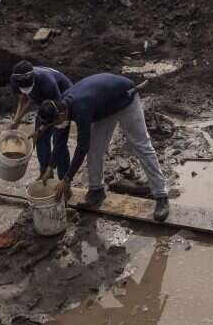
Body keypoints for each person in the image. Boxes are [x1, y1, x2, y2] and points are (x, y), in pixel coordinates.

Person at [37, 73, 169, 221]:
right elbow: (60, 141)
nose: (56, 126)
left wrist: (67, 179)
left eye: (55, 123)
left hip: (125, 98)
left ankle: (161, 196)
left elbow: (81, 147)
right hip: (104, 106)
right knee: (95, 148)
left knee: (141, 146)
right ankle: (96, 190)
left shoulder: (81, 107)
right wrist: (50, 168)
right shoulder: (60, 106)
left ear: (60, 115)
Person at [9, 60, 74, 179]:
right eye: (24, 88)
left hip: (61, 99)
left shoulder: (47, 82)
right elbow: (24, 98)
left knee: (59, 141)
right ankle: (45, 173)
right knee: (39, 138)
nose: (26, 89)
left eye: (29, 87)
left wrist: (43, 127)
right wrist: (16, 121)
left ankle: (63, 178)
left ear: (33, 79)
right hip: (44, 102)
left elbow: (58, 111)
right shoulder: (15, 80)